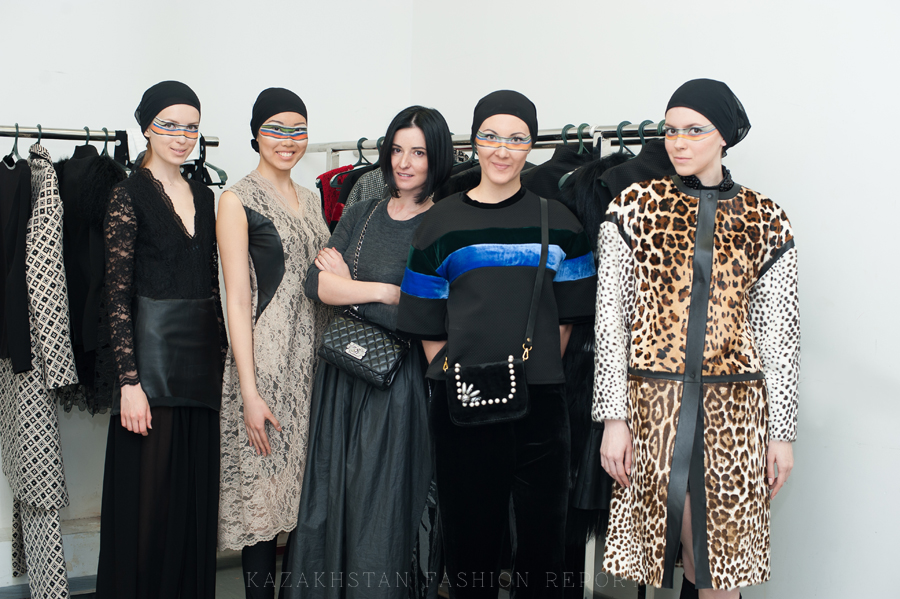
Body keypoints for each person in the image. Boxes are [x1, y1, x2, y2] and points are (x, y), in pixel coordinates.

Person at [595, 79, 799, 599]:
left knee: (718, 567)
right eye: (670, 131)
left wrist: (781, 434)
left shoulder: (765, 218)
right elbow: (611, 321)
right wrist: (614, 419)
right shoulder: (633, 208)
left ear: (724, 136)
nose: (678, 142)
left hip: (734, 416)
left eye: (694, 130)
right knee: (686, 557)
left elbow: (779, 337)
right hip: (654, 410)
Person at [396, 90, 597, 598]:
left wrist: (534, 371)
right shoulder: (440, 222)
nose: (502, 150)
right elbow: (425, 316)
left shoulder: (562, 223)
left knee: (542, 552)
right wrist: (454, 373)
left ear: (531, 145)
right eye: (490, 136)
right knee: (470, 550)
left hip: (541, 406)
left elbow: (569, 318)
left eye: (516, 139)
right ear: (474, 142)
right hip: (461, 403)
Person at [283, 105, 453, 599]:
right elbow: (316, 285)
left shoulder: (443, 225)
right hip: (341, 378)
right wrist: (385, 291)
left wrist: (352, 288)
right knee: (328, 500)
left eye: (418, 152)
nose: (404, 162)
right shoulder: (362, 212)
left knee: (380, 506)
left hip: (397, 385)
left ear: (437, 158)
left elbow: (426, 314)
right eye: (397, 150)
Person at [96, 80, 226, 599]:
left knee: (193, 504)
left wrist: (225, 358)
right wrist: (129, 383)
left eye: (191, 127)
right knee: (148, 508)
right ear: (147, 128)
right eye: (169, 125)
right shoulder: (127, 195)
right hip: (149, 370)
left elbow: (212, 285)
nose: (181, 136)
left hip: (202, 368)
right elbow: (115, 296)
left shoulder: (205, 196)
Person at [217, 88, 332, 599]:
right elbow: (237, 299)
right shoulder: (236, 199)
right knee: (262, 504)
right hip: (265, 365)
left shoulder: (313, 198)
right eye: (275, 129)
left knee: (306, 500)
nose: (288, 140)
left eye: (297, 130)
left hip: (315, 364)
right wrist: (249, 391)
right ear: (256, 134)